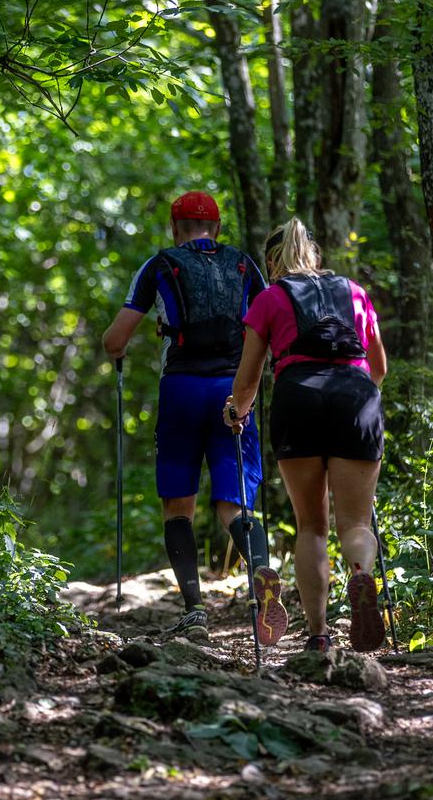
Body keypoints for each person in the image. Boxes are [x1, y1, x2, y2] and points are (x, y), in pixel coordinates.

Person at [102, 192, 286, 645]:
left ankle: (194, 611)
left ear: (174, 227)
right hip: (233, 393)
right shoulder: (244, 264)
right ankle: (261, 573)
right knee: (234, 503)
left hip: (181, 389)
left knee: (177, 504)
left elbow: (115, 338)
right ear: (218, 228)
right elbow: (270, 323)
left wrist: (119, 347)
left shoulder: (159, 265)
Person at [223, 217, 388, 653]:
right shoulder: (354, 292)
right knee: (355, 522)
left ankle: (318, 635)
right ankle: (360, 575)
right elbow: (380, 367)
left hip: (298, 401)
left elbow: (248, 380)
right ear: (314, 253)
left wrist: (235, 413)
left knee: (311, 527)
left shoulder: (269, 299)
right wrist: (359, 403)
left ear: (272, 261)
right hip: (356, 397)